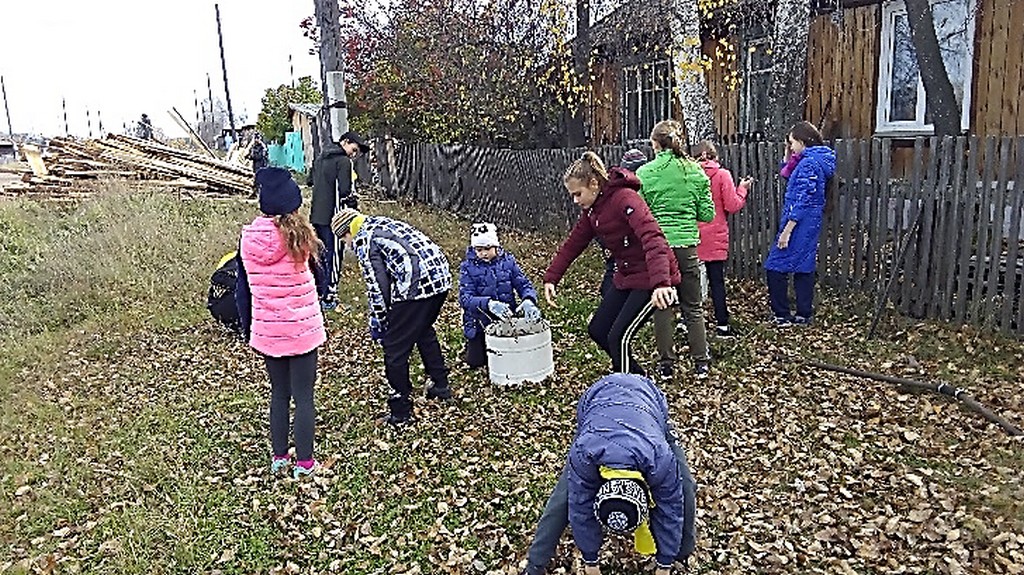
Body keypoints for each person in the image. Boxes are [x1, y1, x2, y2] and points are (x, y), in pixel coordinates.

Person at [518, 373, 697, 575]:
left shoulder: (660, 457)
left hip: (648, 403)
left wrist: (665, 562)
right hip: (597, 402)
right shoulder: (584, 453)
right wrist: (590, 560)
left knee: (685, 487)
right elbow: (580, 503)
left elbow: (670, 505)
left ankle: (682, 554)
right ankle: (534, 566)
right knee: (564, 498)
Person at [543, 151, 680, 376]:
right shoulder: (593, 211)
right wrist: (552, 278)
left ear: (594, 183)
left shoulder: (625, 199)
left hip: (651, 278)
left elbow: (653, 238)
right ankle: (637, 376)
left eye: (578, 194)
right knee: (598, 330)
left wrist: (661, 283)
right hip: (626, 275)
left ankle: (626, 391)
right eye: (572, 196)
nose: (576, 201)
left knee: (619, 337)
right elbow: (573, 243)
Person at [235, 167, 326, 479]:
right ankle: (304, 464)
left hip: (268, 331)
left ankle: (278, 458)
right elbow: (321, 280)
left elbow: (242, 290)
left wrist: (250, 328)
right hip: (302, 331)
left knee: (278, 394)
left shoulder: (247, 240)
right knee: (304, 397)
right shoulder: (300, 237)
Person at [330, 207, 452, 426]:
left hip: (418, 286)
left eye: (343, 239)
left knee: (394, 348)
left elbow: (377, 286)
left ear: (347, 232)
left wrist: (378, 320)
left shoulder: (364, 240)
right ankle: (440, 384)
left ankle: (400, 409)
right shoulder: (380, 223)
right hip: (441, 279)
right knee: (422, 329)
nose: (345, 244)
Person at [636, 120, 715, 380]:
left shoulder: (645, 173)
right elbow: (707, 213)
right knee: (692, 306)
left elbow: (641, 215)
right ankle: (701, 362)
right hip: (686, 247)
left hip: (658, 249)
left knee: (662, 305)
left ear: (656, 144)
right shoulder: (696, 172)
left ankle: (666, 364)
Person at [764, 121, 837, 326]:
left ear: (803, 141)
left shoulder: (809, 164)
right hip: (810, 220)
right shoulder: (814, 160)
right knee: (803, 265)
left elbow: (802, 197)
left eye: (792, 142)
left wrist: (788, 229)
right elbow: (788, 175)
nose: (790, 146)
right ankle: (804, 313)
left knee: (775, 266)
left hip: (799, 221)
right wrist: (788, 156)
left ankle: (782, 314)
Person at [458, 223, 541, 368]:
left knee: (510, 358)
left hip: (506, 318)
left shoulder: (508, 262)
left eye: (488, 248)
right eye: (479, 249)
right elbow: (465, 298)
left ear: (496, 246)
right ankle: (472, 346)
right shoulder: (468, 268)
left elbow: (523, 284)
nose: (483, 253)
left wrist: (528, 300)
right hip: (479, 323)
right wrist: (488, 304)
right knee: (477, 362)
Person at [695, 140, 753, 338]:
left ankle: (688, 323)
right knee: (717, 281)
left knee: (690, 282)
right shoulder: (722, 175)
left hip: (692, 235)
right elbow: (732, 204)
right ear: (715, 157)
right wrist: (742, 189)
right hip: (715, 236)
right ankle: (722, 325)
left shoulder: (688, 175)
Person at [309, 131, 370, 310]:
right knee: (334, 254)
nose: (354, 153)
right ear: (345, 142)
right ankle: (330, 296)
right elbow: (345, 191)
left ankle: (319, 290)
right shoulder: (343, 161)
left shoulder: (320, 158)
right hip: (334, 216)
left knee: (320, 254)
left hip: (317, 215)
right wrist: (353, 203)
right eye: (354, 148)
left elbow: (310, 180)